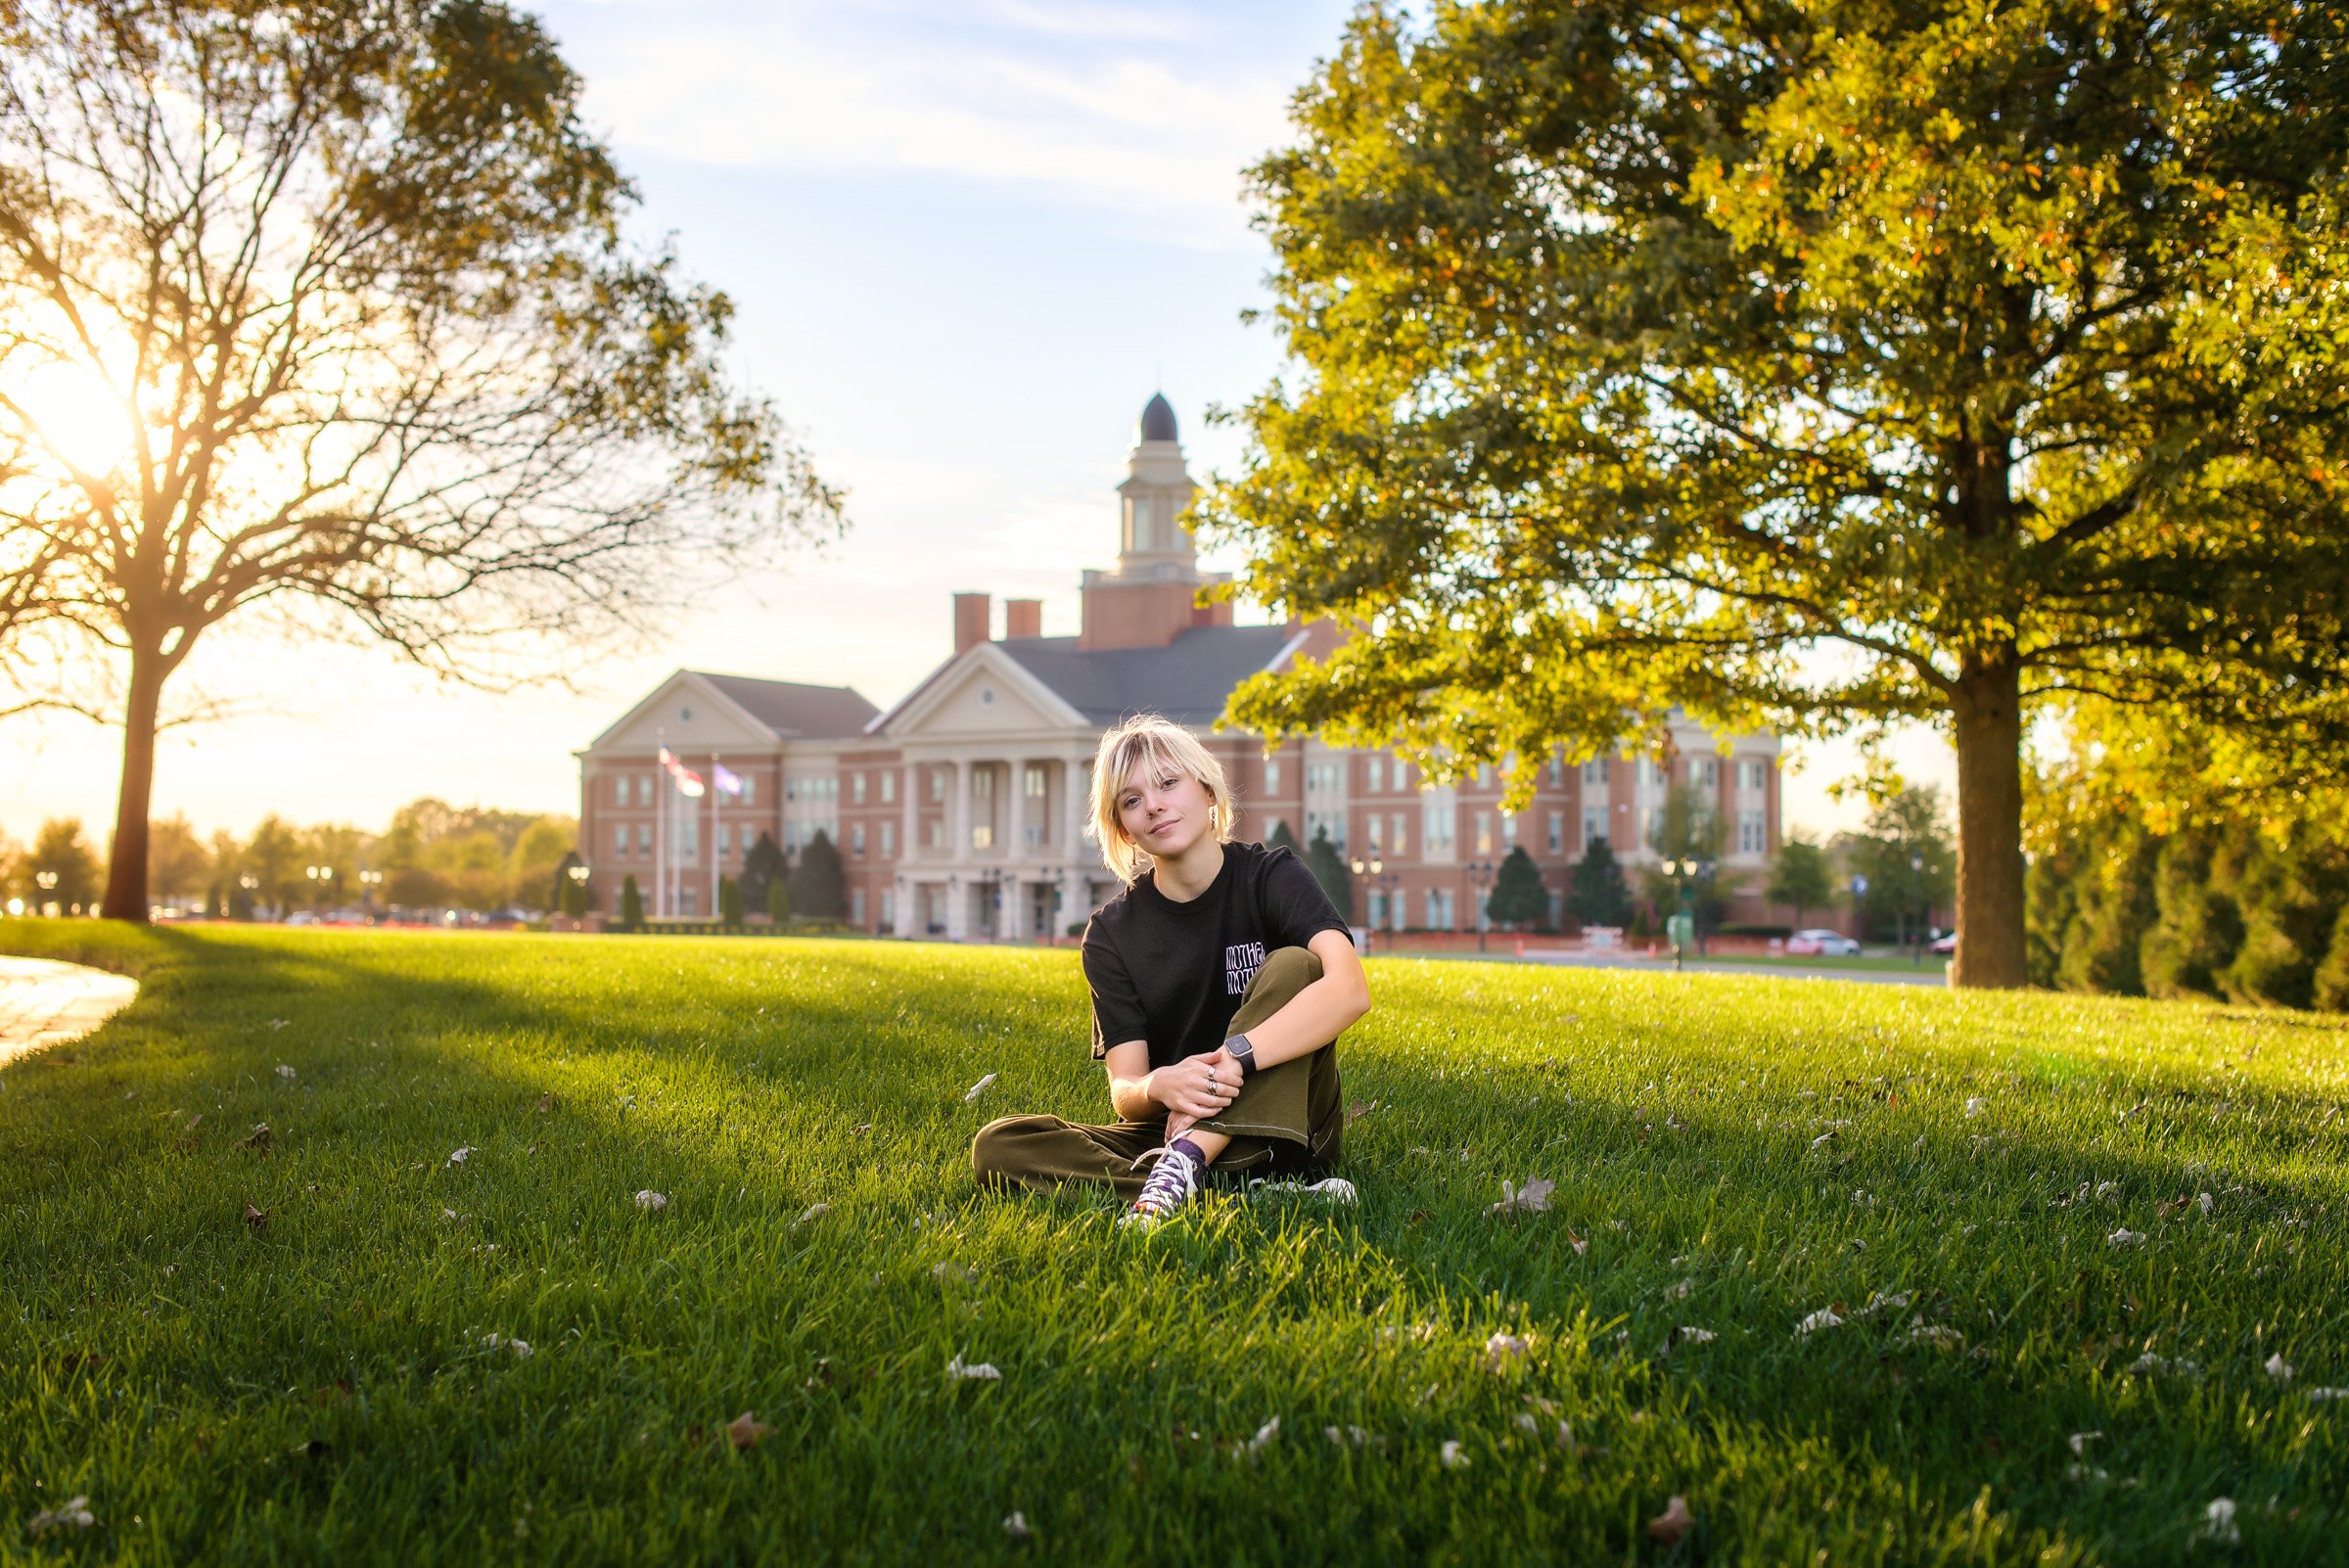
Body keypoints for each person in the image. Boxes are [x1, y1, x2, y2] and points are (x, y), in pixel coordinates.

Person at [971, 714, 1371, 1226]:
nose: (1154, 805)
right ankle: (1236, 1192)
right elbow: (1127, 1092)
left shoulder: (1271, 876)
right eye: (1132, 801)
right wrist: (1162, 1085)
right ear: (1125, 830)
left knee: (1296, 965)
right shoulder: (1111, 933)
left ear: (1207, 791)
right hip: (1171, 1128)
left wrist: (1234, 1060)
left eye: (1167, 783)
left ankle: (1183, 1170)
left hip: (1289, 1125)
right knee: (1001, 1145)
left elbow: (1349, 989)